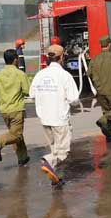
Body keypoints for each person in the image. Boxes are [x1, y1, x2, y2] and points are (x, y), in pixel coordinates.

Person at [31, 43, 80, 186]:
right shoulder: (65, 75)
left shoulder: (39, 75)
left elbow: (32, 94)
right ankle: (48, 162)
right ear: (62, 57)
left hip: (44, 119)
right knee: (62, 152)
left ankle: (55, 179)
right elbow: (73, 99)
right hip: (59, 119)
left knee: (54, 149)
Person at [0, 49, 31, 165]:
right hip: (16, 109)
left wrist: (2, 97)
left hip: (4, 110)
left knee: (15, 134)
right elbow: (27, 91)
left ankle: (23, 157)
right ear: (15, 59)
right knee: (15, 135)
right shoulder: (20, 74)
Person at [88, 35, 111, 141]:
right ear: (109, 45)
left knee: (106, 111)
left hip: (100, 91)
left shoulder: (94, 59)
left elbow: (89, 73)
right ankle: (102, 120)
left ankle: (109, 135)